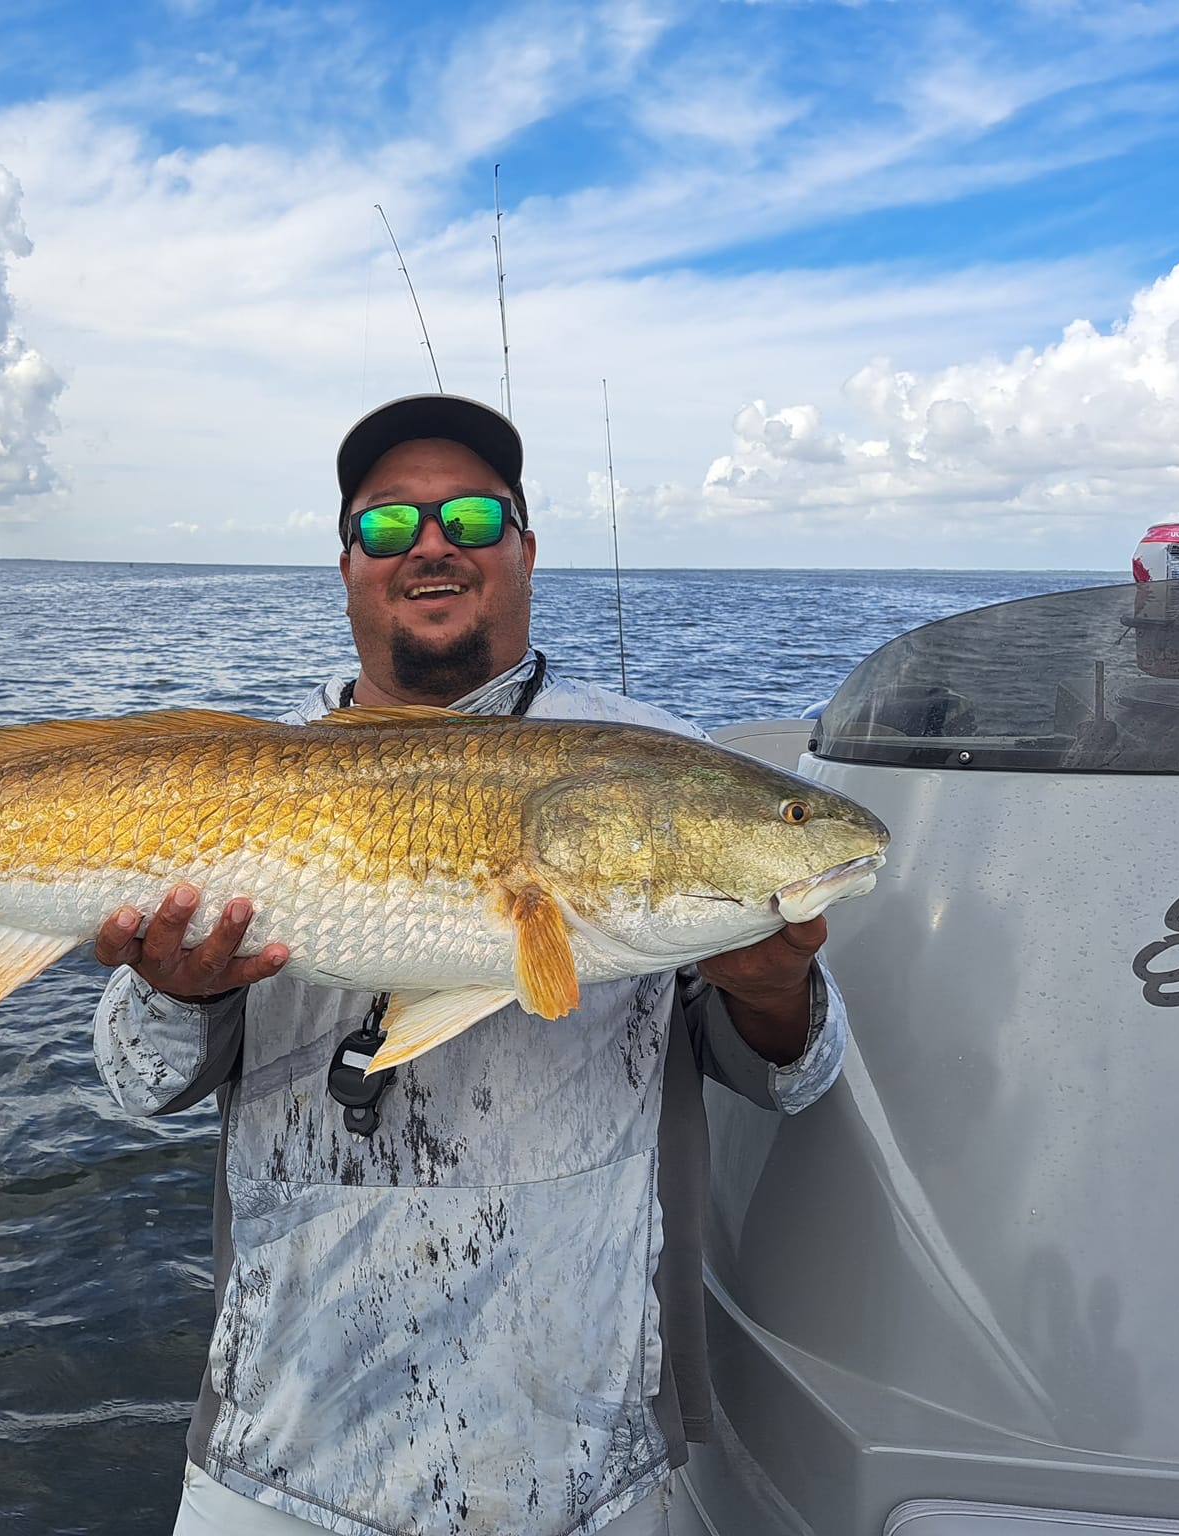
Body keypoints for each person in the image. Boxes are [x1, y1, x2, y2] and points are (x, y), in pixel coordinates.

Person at [89, 394, 850, 1536]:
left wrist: (773, 989)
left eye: (471, 516)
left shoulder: (658, 769)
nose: (430, 544)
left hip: (587, 1457)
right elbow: (138, 1083)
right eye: (387, 527)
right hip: (278, 1454)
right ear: (346, 566)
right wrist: (169, 990)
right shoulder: (239, 776)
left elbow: (794, 1078)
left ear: (525, 550)